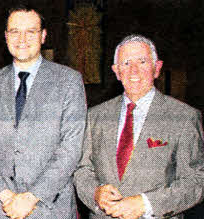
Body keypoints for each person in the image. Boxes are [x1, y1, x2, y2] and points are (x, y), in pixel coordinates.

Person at [0, 4, 87, 219]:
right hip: (0, 209)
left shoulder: (69, 81)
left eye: (30, 31)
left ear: (43, 36)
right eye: (15, 31)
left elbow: (71, 148)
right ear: (6, 36)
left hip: (49, 208)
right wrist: (5, 196)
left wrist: (31, 197)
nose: (21, 39)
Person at [74, 34, 204, 219]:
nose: (133, 71)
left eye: (142, 62)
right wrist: (95, 193)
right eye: (126, 63)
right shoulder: (95, 116)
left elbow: (196, 181)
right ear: (117, 71)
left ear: (156, 68)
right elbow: (82, 169)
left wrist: (146, 204)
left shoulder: (183, 117)